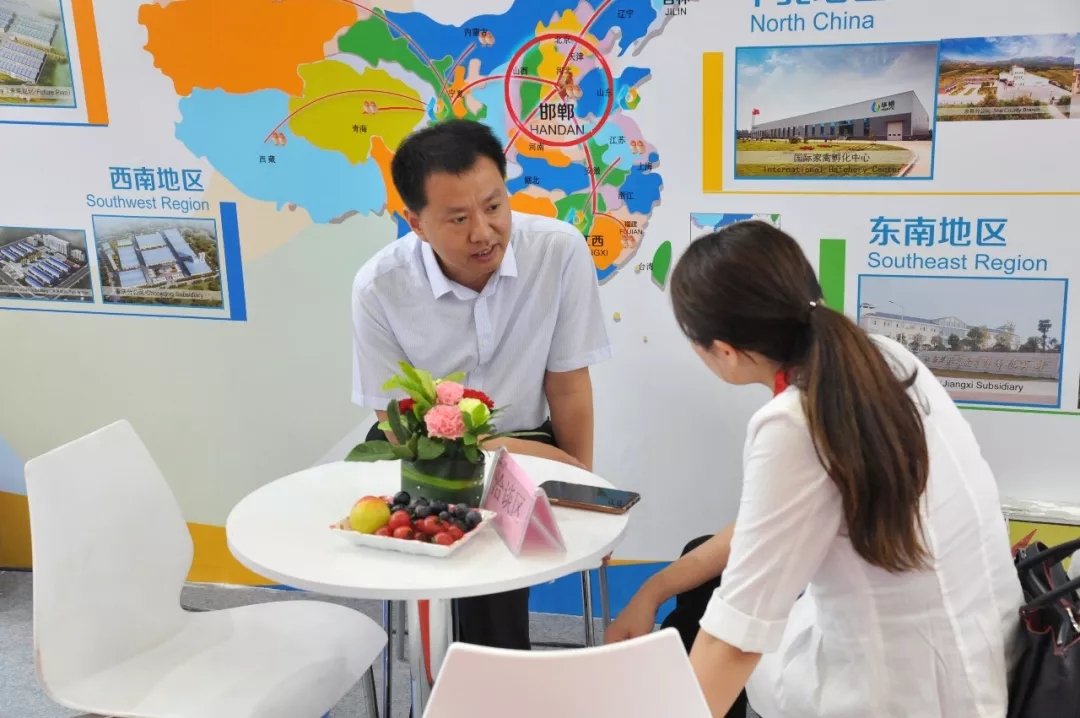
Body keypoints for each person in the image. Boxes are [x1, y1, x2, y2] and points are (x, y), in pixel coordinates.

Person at [605, 221, 1024, 717]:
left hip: (905, 693)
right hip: (994, 654)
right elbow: (770, 525)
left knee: (715, 633)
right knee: (700, 571)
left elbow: (734, 641)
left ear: (724, 351)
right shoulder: (883, 358)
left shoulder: (792, 423)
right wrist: (655, 587)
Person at [351, 118, 611, 650]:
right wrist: (494, 450)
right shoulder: (379, 287)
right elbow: (396, 423)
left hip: (529, 436)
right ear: (416, 223)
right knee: (418, 536)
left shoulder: (558, 252)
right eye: (458, 218)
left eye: (494, 206)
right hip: (420, 445)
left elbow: (568, 388)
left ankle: (492, 678)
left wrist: (582, 488)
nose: (484, 232)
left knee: (493, 557)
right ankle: (438, 672)